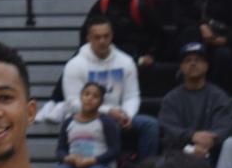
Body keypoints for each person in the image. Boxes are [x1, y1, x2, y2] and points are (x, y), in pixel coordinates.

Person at [63, 16, 161, 160]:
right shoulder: (75, 65)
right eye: (97, 37)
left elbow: (132, 95)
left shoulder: (125, 61)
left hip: (120, 116)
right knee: (108, 125)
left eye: (106, 36)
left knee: (150, 125)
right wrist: (108, 112)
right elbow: (73, 104)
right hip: (87, 117)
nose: (102, 41)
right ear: (89, 38)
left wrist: (127, 115)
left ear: (112, 36)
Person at [159, 41, 232, 159]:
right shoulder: (171, 99)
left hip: (212, 152)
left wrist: (209, 140)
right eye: (188, 60)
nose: (193, 63)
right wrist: (192, 136)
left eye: (198, 60)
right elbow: (169, 129)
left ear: (207, 65)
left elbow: (224, 127)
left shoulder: (219, 97)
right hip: (180, 153)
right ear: (181, 66)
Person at [81, 0, 163, 65]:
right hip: (108, 51)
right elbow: (85, 30)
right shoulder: (102, 4)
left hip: (136, 51)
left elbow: (157, 32)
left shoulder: (141, 4)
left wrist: (152, 54)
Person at [55, 81, 122, 168]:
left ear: (101, 102)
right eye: (86, 94)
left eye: (95, 96)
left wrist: (93, 160)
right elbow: (60, 150)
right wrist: (68, 158)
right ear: (81, 97)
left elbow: (115, 150)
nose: (90, 98)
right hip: (73, 164)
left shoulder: (106, 122)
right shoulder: (69, 122)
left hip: (99, 164)